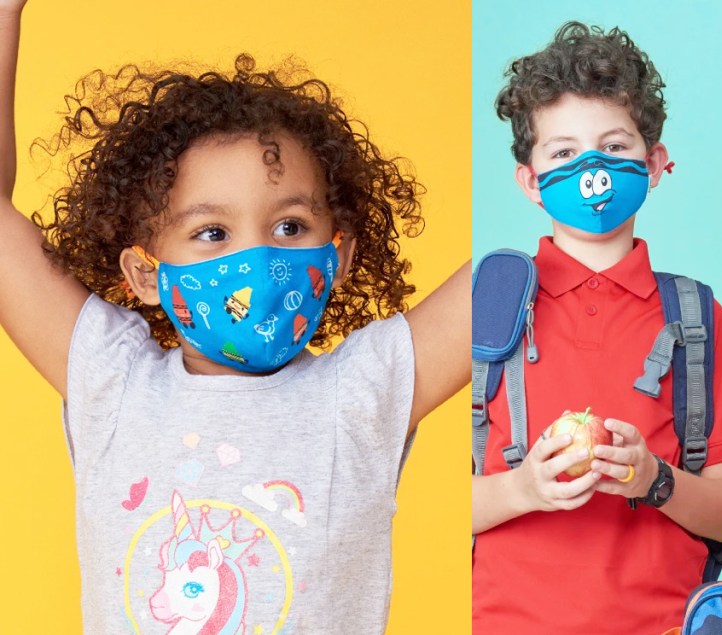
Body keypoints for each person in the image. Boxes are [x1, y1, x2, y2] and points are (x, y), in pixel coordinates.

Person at [0, 1, 468, 632]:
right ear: (144, 273)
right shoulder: (111, 383)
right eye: (213, 232)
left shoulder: (362, 394)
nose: (256, 257)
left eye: (289, 226)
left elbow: (504, 277)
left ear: (342, 255)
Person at [472, 22, 722, 633]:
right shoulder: (483, 310)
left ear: (654, 164)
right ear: (529, 181)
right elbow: (412, 508)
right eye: (563, 153)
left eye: (614, 146)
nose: (592, 170)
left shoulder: (698, 318)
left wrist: (653, 478)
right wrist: (524, 488)